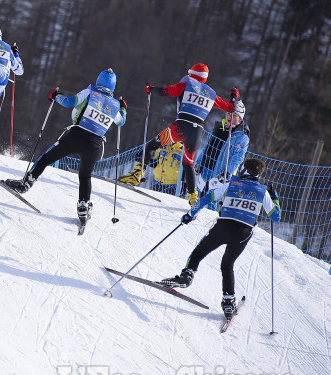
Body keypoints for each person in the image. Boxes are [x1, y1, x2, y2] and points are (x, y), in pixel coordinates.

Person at [159, 158, 281, 319]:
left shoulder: (232, 184)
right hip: (243, 233)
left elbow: (206, 198)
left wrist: (190, 215)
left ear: (244, 170)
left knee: (198, 253)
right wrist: (274, 197)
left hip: (223, 227)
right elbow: (276, 217)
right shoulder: (262, 192)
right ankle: (229, 302)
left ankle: (187, 276)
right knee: (227, 265)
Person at [4, 68, 126, 223]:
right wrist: (123, 108)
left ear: (98, 80)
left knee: (46, 158)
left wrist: (55, 96)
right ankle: (83, 206)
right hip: (95, 146)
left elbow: (69, 102)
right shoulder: (115, 105)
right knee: (84, 176)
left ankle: (25, 184)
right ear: (113, 87)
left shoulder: (89, 92)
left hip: (76, 136)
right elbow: (122, 121)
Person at [118, 63, 239, 207]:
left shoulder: (187, 83)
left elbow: (167, 91)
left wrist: (151, 89)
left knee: (153, 145)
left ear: (192, 73)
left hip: (181, 126)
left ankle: (136, 175)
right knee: (188, 163)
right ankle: (193, 196)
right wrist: (233, 95)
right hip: (197, 131)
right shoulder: (211, 93)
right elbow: (231, 107)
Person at [196, 101, 250, 204]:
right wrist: (199, 162)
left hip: (220, 173)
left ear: (240, 119)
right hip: (207, 167)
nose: (230, 116)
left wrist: (227, 173)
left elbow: (237, 158)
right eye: (229, 113)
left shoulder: (242, 137)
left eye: (234, 115)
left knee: (212, 201)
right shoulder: (219, 127)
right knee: (198, 196)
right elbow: (208, 147)